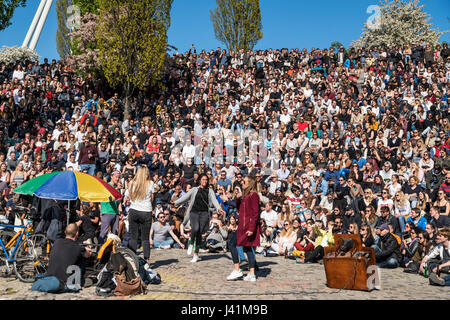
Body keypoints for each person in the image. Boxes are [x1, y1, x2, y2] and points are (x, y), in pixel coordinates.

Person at [173, 173, 225, 263]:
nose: (205, 181)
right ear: (200, 180)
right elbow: (185, 197)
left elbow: (214, 200)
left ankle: (196, 254)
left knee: (199, 233)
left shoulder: (210, 190)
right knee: (195, 228)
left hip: (204, 213)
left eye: (206, 180)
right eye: (203, 179)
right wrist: (175, 203)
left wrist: (219, 208)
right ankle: (191, 243)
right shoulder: (194, 189)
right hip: (194, 212)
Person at [226, 175, 261, 282]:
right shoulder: (246, 195)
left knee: (232, 243)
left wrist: (251, 228)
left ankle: (237, 269)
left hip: (247, 227)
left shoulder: (253, 195)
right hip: (242, 226)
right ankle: (252, 274)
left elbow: (256, 213)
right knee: (248, 248)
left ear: (250, 183)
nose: (242, 183)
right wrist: (238, 197)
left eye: (244, 182)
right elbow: (239, 208)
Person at [125, 166, 154, 263]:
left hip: (134, 210)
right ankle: (146, 260)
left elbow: (129, 197)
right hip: (146, 211)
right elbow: (152, 199)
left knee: (134, 236)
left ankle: (133, 259)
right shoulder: (150, 183)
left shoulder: (132, 183)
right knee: (145, 238)